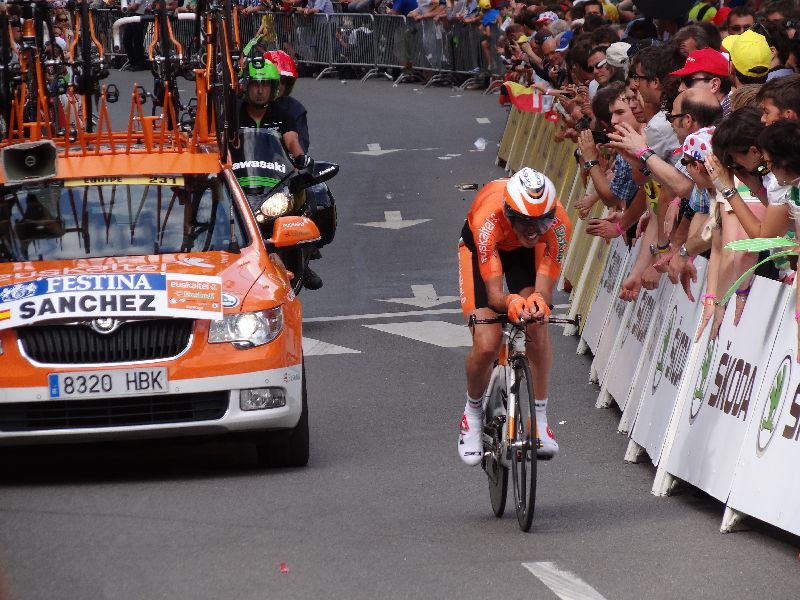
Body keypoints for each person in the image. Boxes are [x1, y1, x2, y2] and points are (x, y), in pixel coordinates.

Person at [457, 168, 572, 465]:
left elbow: (544, 292)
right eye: (524, 221)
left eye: (540, 222)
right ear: (509, 212)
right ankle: (471, 413)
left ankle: (539, 419)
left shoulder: (558, 224)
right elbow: (495, 296)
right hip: (483, 248)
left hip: (524, 256)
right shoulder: (488, 220)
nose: (532, 230)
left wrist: (537, 303)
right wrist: (511, 302)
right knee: (486, 342)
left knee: (537, 327)